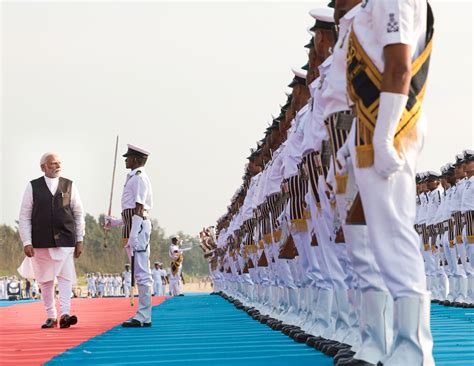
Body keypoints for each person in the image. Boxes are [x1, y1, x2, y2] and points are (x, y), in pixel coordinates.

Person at [345, 0, 435, 364]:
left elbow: (398, 67)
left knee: (394, 238)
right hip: (377, 123)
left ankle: (413, 352)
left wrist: (382, 137)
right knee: (382, 240)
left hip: (388, 125)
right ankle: (401, 347)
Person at [18, 152, 85, 328]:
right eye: (53, 163)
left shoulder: (69, 185)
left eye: (58, 163)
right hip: (40, 240)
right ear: (43, 167)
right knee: (45, 279)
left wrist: (80, 239)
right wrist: (27, 241)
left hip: (66, 238)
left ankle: (65, 314)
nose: (57, 166)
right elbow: (24, 216)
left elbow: (78, 214)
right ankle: (51, 315)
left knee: (65, 277)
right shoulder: (33, 187)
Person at [106, 144, 154, 327]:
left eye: (128, 157)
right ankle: (142, 314)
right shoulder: (132, 177)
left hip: (138, 227)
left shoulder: (139, 178)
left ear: (136, 159)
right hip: (132, 226)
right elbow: (128, 211)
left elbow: (139, 208)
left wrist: (134, 234)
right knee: (139, 272)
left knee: (142, 273)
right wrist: (115, 222)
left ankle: (143, 315)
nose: (126, 160)